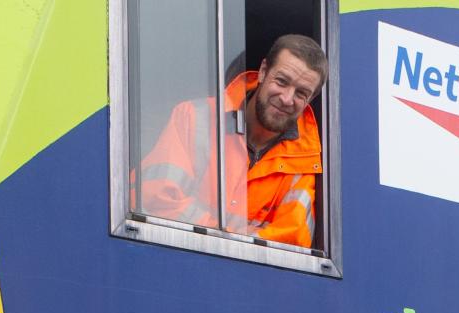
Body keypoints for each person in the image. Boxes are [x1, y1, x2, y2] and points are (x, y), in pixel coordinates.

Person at [137, 34, 325, 248]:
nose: (287, 98)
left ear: (310, 100)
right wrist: (237, 238)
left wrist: (206, 227)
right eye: (282, 81)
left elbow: (292, 243)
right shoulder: (194, 118)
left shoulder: (304, 163)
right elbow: (155, 199)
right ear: (263, 71)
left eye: (301, 93)